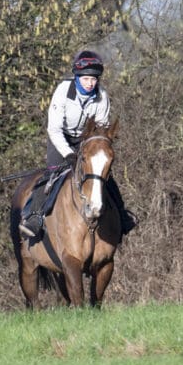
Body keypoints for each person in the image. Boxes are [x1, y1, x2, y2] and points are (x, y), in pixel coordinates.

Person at [20, 50, 136, 237]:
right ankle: (34, 216)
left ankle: (122, 216)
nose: (91, 83)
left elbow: (101, 129)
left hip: (86, 140)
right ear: (77, 77)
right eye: (86, 79)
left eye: (94, 79)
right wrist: (68, 154)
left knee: (104, 177)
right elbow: (54, 129)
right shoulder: (63, 91)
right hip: (61, 138)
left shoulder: (102, 96)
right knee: (52, 174)